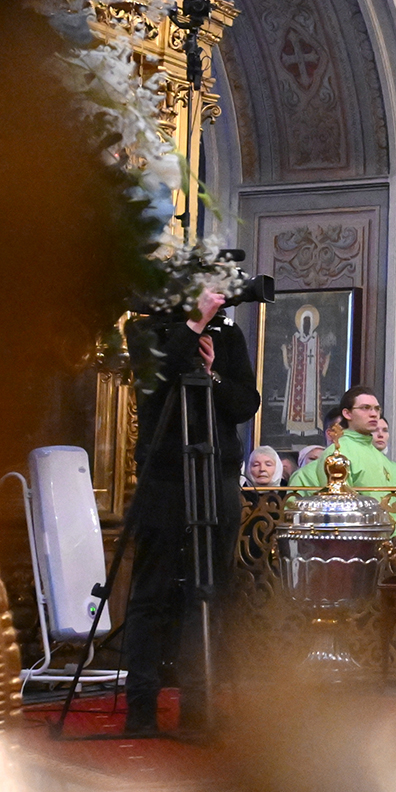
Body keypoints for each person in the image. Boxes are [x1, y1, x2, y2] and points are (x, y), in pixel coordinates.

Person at [121, 290, 261, 735]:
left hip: (216, 471)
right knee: (151, 590)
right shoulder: (144, 330)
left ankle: (198, 706)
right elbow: (157, 382)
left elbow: (245, 403)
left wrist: (212, 375)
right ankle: (141, 707)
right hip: (164, 474)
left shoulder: (229, 335)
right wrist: (194, 326)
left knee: (209, 590)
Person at [287, 387, 396, 488]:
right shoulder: (338, 453)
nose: (374, 414)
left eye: (377, 409)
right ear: (347, 413)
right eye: (365, 408)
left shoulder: (377, 454)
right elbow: (338, 505)